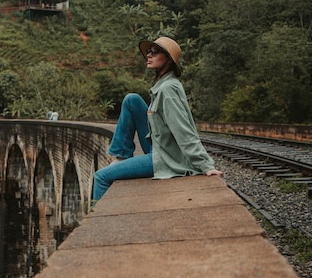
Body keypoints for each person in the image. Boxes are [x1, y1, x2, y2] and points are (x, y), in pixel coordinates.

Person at [92, 36, 222, 202]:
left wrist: (205, 165)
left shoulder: (168, 89)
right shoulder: (163, 84)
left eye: (155, 51)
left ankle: (99, 224)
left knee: (101, 177)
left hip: (166, 158)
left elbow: (184, 131)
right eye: (148, 51)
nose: (149, 55)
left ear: (168, 59)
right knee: (132, 100)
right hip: (158, 146)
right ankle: (121, 157)